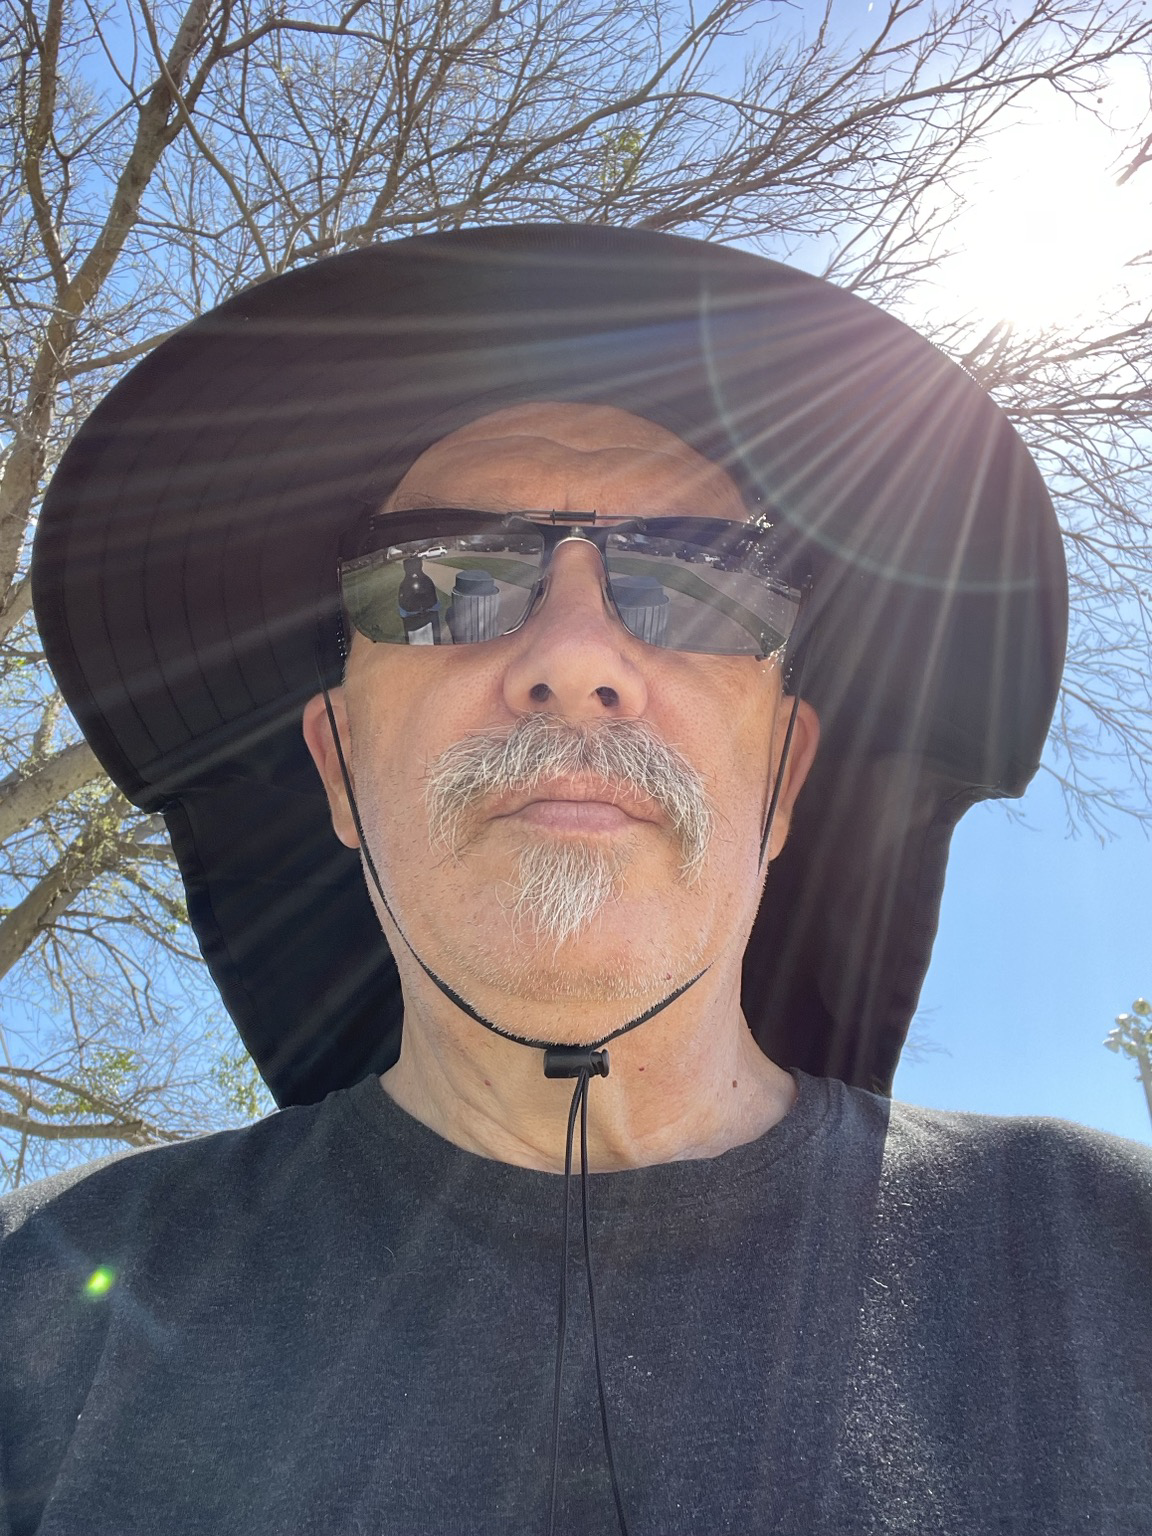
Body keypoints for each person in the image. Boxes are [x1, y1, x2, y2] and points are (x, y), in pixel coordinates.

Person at [4, 226, 1149, 1535]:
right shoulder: (38, 1305)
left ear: (784, 777)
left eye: (696, 586)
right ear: (339, 767)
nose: (575, 655)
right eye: (444, 584)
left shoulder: (1116, 1259)